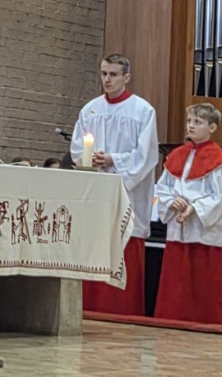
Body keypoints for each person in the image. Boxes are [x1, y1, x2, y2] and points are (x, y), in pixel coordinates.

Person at [70, 54, 159, 316]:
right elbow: (77, 149)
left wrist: (113, 159)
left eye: (113, 74)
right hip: (96, 196)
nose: (107, 79)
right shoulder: (91, 110)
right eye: (104, 73)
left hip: (127, 195)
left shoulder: (142, 111)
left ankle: (124, 314)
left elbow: (146, 156)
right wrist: (90, 159)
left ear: (126, 77)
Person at [154, 103, 222, 324]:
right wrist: (172, 201)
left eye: (198, 122)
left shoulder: (220, 161)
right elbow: (163, 187)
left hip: (202, 232)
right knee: (176, 284)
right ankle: (170, 322)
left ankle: (204, 324)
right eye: (189, 121)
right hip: (178, 227)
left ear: (212, 127)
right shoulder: (176, 155)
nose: (191, 125)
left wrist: (194, 208)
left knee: (201, 285)